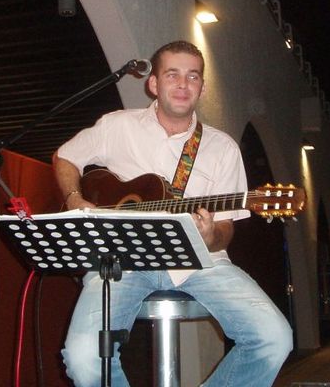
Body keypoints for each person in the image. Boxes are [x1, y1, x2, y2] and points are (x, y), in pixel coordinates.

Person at [53, 40, 293, 387]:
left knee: (274, 338)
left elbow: (226, 230)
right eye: (172, 74)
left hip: (199, 263)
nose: (183, 84)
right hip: (122, 260)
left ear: (202, 87)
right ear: (153, 83)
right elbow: (65, 157)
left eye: (193, 76)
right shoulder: (117, 126)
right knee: (83, 357)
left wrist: (211, 236)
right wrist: (75, 198)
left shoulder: (222, 147)